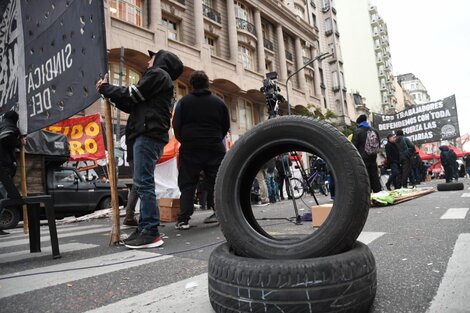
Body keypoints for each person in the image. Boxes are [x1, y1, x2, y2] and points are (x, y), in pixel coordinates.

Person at [96, 49, 183, 248]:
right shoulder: (160, 80)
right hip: (145, 133)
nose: (147, 60)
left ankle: (150, 230)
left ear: (161, 60)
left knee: (144, 183)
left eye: (152, 57)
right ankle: (145, 227)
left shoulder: (157, 75)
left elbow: (132, 94)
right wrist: (109, 93)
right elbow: (132, 103)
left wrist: (107, 88)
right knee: (142, 183)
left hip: (147, 134)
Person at [172, 70, 230, 229]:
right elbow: (226, 126)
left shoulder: (184, 102)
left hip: (190, 148)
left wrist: (184, 139)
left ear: (192, 84)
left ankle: (183, 219)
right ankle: (219, 213)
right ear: (207, 83)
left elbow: (176, 125)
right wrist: (216, 137)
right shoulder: (219, 102)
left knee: (188, 183)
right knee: (217, 181)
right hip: (214, 147)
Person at [0, 111, 26, 236]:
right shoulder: (8, 125)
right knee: (1, 198)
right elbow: (7, 138)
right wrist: (20, 142)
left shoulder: (2, 124)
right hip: (3, 167)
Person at [351, 114, 382, 193]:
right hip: (373, 156)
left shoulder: (358, 131)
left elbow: (353, 146)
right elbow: (379, 144)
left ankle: (367, 194)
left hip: (362, 157)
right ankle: (378, 193)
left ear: (358, 123)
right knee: (374, 176)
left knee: (365, 176)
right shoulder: (374, 131)